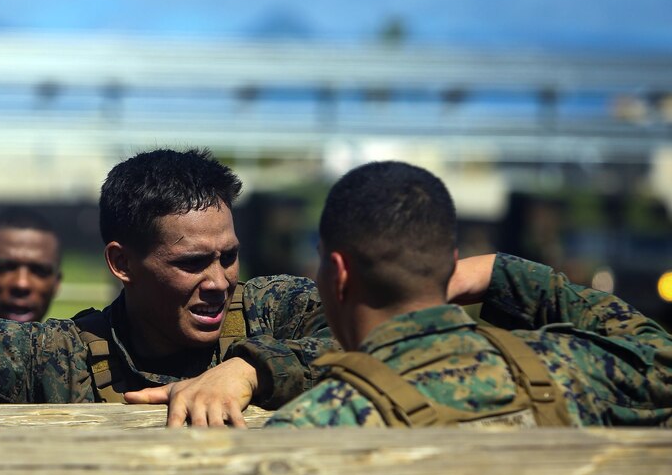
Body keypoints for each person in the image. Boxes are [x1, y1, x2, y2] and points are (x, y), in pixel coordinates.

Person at [0, 148, 335, 427]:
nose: (218, 282)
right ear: (121, 263)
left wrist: (248, 370)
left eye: (228, 257)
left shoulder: (277, 309)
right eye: (191, 263)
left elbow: (382, 345)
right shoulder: (60, 355)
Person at [267, 160, 672, 428]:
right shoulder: (567, 368)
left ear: (338, 272)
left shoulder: (314, 425)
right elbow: (659, 354)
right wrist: (503, 272)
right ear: (452, 263)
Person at [0, 209, 62, 326]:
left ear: (57, 283)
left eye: (39, 271)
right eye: (4, 268)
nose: (21, 284)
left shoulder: (81, 343)